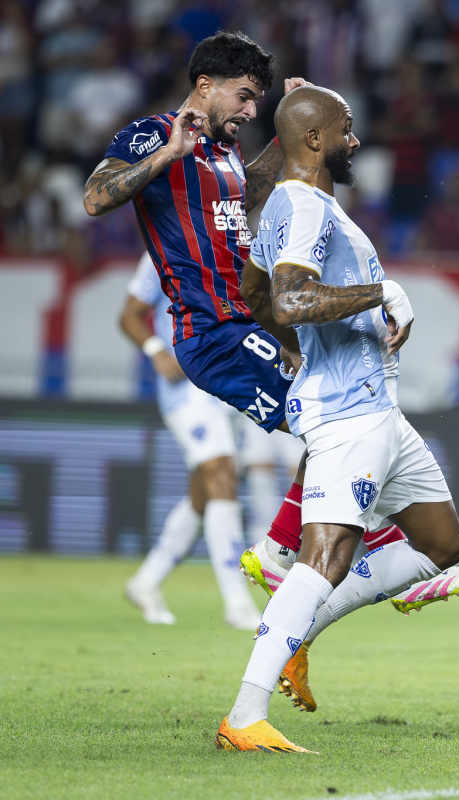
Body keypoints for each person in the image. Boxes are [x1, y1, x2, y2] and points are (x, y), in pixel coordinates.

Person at [216, 85, 459, 753]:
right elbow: (288, 296)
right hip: (346, 416)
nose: (355, 140)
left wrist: (299, 340)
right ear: (314, 140)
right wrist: (381, 291)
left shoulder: (295, 208)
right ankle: (245, 714)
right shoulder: (304, 207)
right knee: (325, 556)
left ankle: (297, 630)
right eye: (346, 129)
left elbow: (255, 294)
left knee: (441, 544)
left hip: (378, 412)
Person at [83, 30, 316, 588]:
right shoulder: (151, 134)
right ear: (205, 86)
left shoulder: (226, 150)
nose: (250, 108)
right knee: (335, 421)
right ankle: (297, 549)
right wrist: (167, 155)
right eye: (244, 95)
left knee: (335, 424)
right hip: (211, 331)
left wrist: (288, 128)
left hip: (247, 322)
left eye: (258, 99)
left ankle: (292, 552)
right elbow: (94, 197)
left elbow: (248, 193)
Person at [119, 252, 259, 631]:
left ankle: (147, 581)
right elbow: (129, 315)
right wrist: (157, 352)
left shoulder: (232, 244)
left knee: (205, 493)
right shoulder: (162, 249)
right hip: (185, 391)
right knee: (222, 472)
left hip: (226, 387)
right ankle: (237, 602)